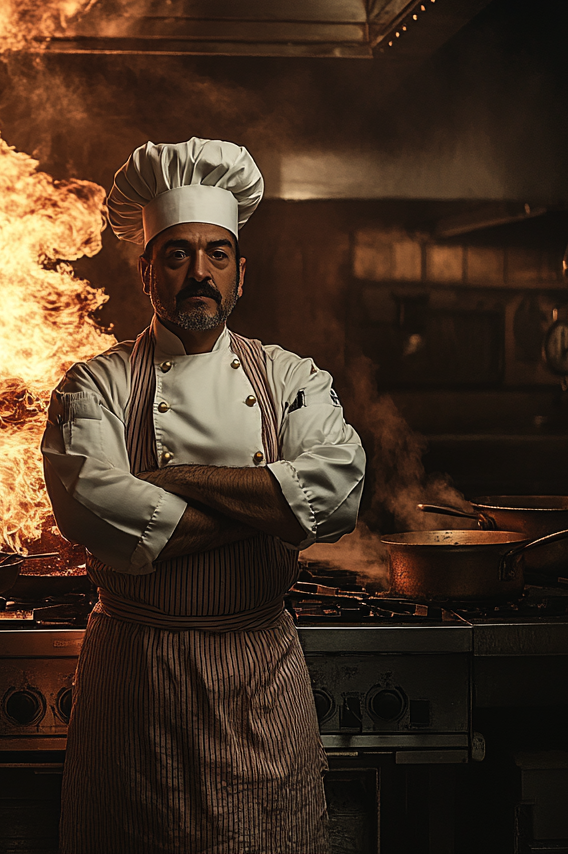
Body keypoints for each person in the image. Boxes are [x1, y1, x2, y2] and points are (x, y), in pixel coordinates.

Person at [41, 137, 366, 854]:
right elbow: (94, 515)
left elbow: (338, 490)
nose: (200, 273)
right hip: (136, 682)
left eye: (217, 254)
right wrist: (270, 511)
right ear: (145, 270)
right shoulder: (94, 384)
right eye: (178, 254)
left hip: (258, 672)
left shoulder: (291, 379)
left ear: (241, 274)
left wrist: (173, 484)